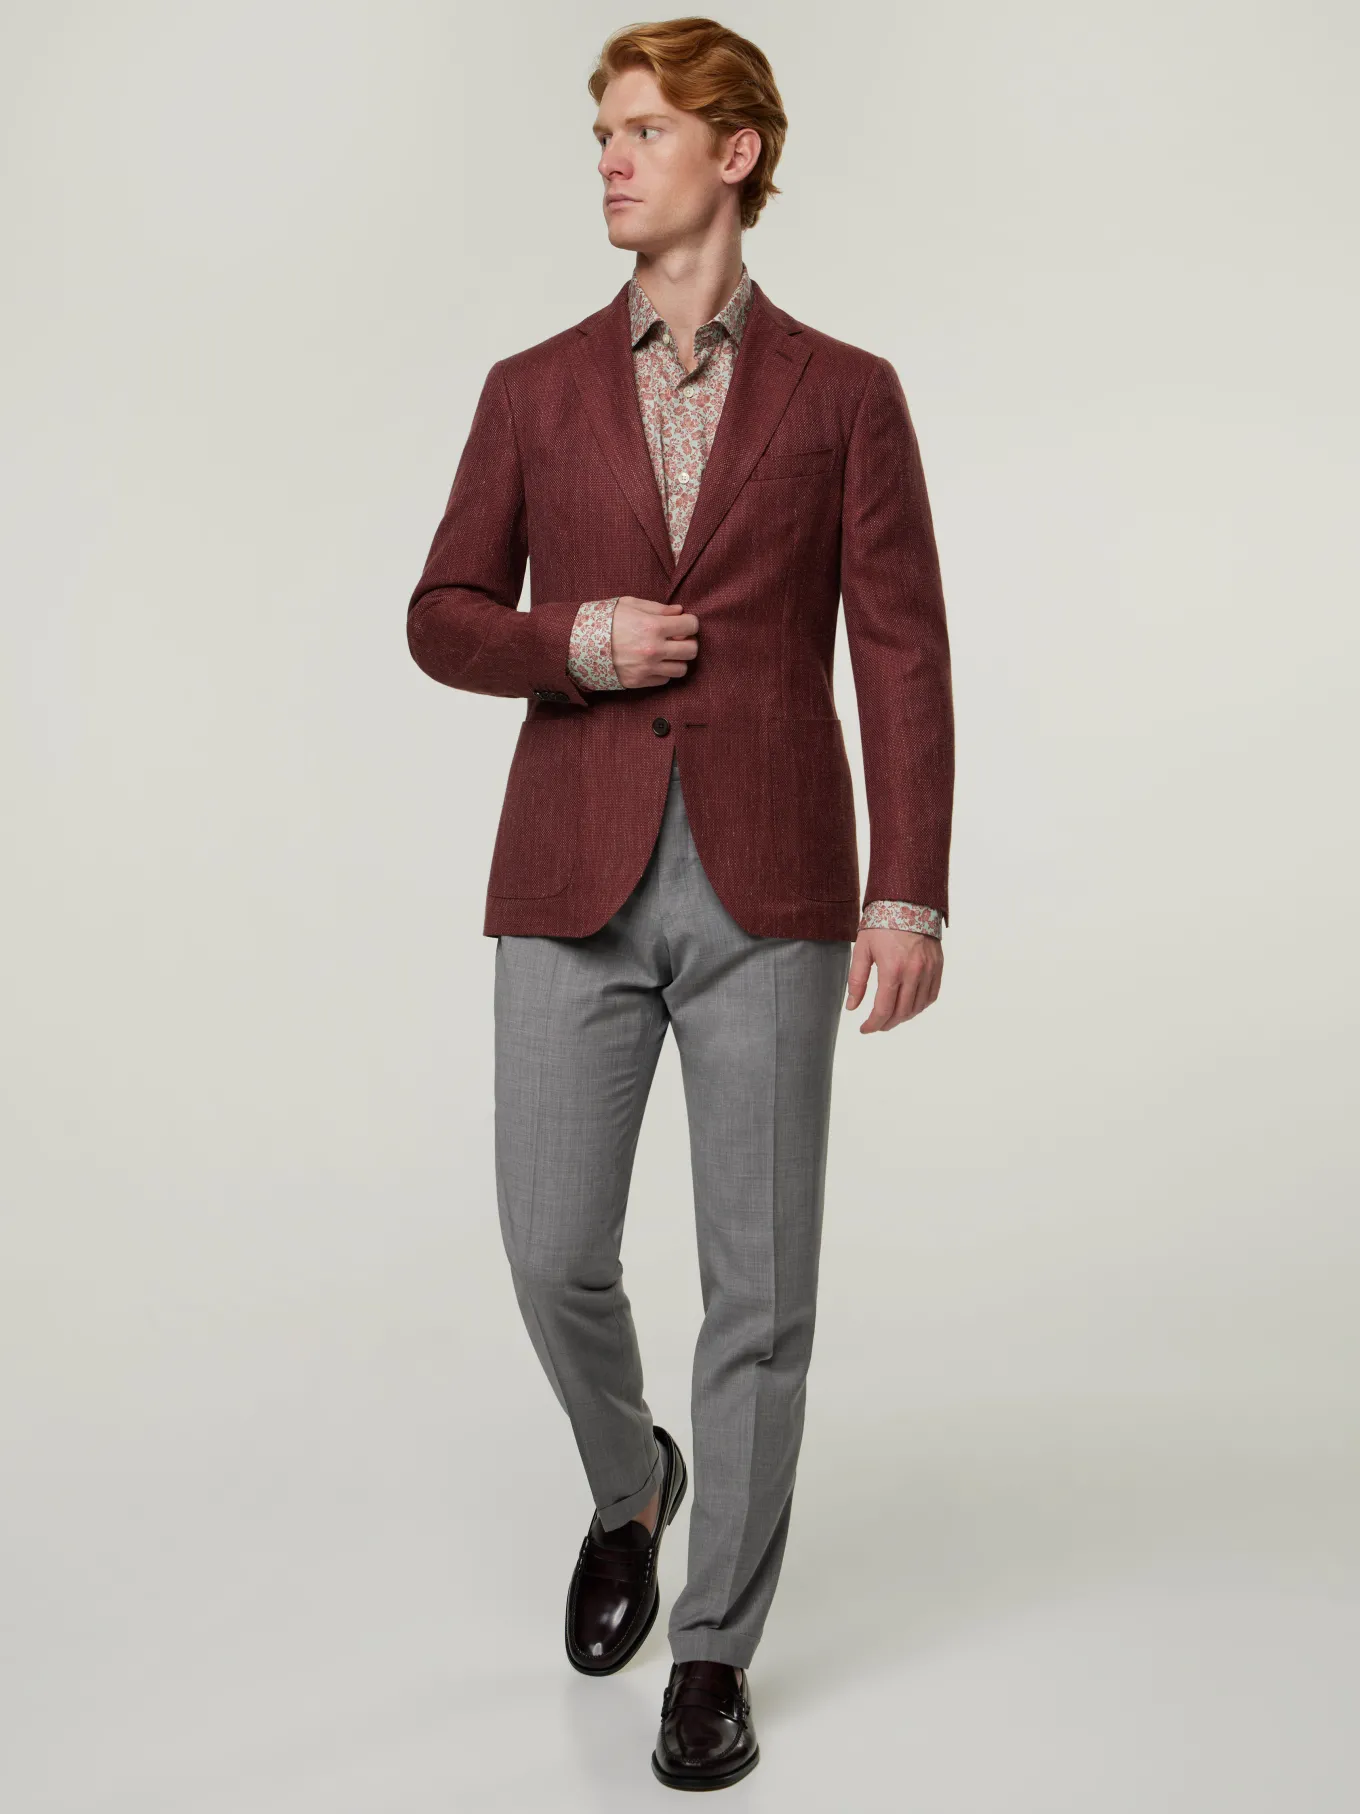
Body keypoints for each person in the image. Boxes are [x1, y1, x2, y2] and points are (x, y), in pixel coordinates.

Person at [405, 15, 954, 1792]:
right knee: (549, 1246)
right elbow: (441, 612)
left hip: (775, 878)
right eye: (603, 133)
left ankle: (713, 1644)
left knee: (761, 1289)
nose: (611, 159)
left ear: (737, 152)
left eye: (643, 129)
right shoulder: (531, 387)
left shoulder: (848, 392)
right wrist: (572, 639)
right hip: (571, 870)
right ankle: (630, 1477)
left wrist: (910, 893)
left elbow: (902, 651)